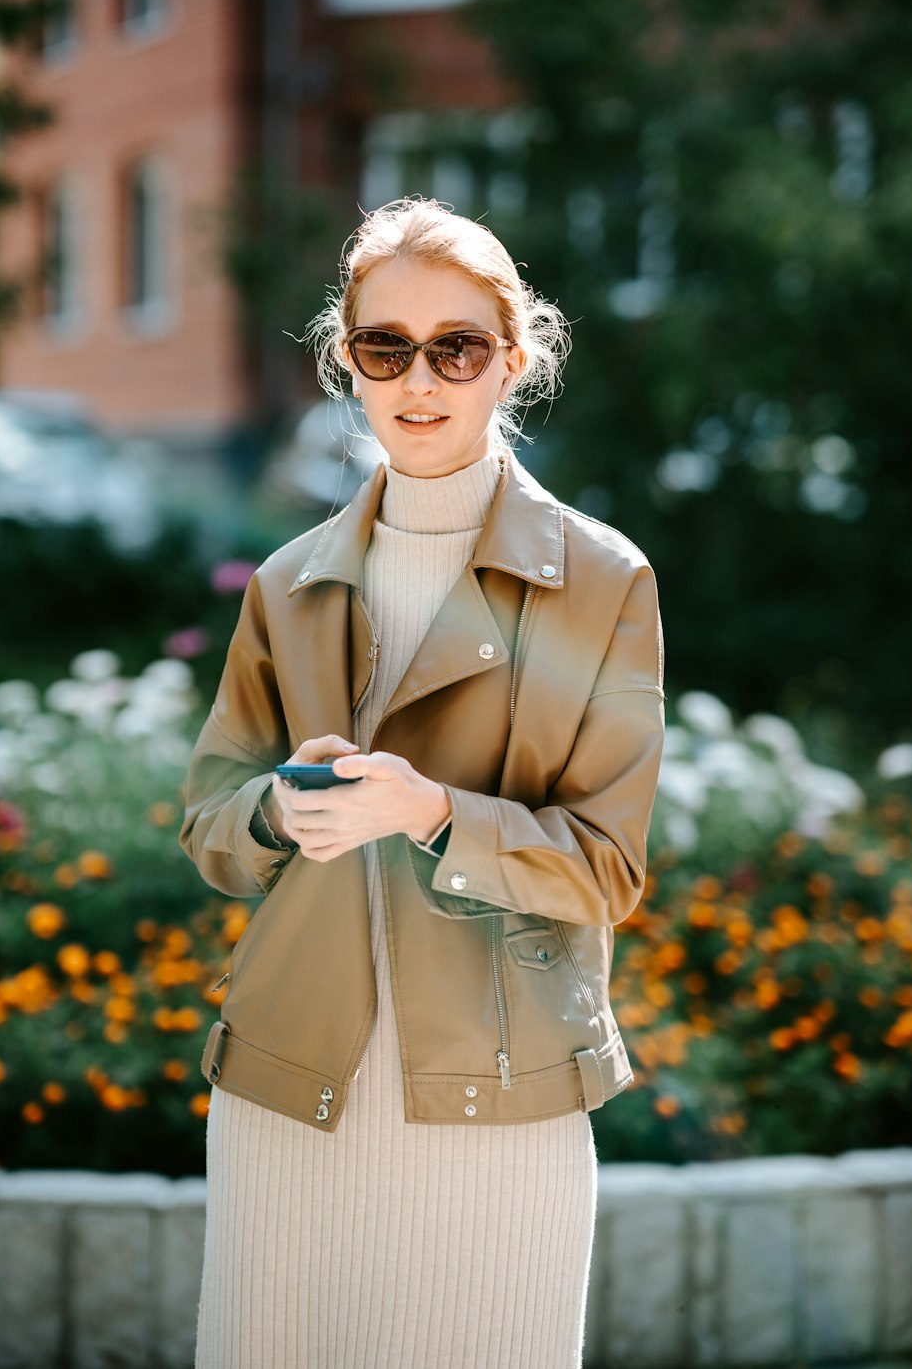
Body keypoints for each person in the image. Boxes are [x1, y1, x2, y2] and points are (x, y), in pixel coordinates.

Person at [180, 197, 665, 1369]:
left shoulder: (602, 581)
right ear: (348, 362)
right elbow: (211, 822)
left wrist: (434, 812)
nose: (419, 380)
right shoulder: (288, 584)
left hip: (498, 1100)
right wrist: (276, 812)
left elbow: (607, 868)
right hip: (289, 1090)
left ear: (514, 358)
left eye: (456, 347)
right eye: (384, 347)